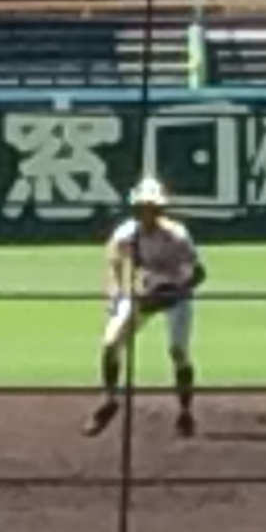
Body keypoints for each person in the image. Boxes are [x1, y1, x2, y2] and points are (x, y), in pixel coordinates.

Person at [89, 174, 204, 440]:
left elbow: (198, 273)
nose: (147, 213)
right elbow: (113, 258)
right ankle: (109, 400)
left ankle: (185, 412)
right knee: (110, 343)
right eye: (142, 208)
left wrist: (172, 289)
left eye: (152, 208)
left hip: (176, 296)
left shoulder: (176, 235)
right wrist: (116, 293)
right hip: (144, 293)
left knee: (178, 351)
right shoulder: (128, 232)